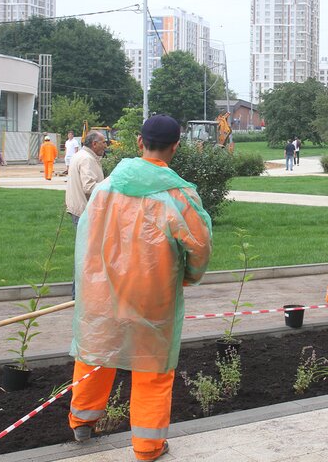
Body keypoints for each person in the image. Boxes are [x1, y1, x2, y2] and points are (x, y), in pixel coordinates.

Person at [68, 115, 212, 462]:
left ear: (138, 142)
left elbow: (86, 241)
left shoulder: (104, 188)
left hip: (103, 292)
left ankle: (82, 422)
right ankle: (148, 447)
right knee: (152, 368)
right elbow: (199, 246)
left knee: (96, 353)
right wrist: (188, 276)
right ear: (176, 146)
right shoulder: (178, 195)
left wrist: (91, 285)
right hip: (153, 296)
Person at [65, 131, 106, 227]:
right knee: (87, 242)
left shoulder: (81, 155)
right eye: (103, 142)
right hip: (84, 212)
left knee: (84, 241)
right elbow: (89, 187)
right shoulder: (87, 159)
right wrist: (110, 184)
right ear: (94, 144)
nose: (105, 146)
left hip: (79, 208)